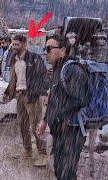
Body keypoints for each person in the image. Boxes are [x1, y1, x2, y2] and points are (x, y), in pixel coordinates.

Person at [37, 35, 88, 179]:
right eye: (44, 49)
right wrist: (46, 120)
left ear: (63, 50)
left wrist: (59, 116)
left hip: (72, 131)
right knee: (59, 170)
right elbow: (54, 99)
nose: (46, 53)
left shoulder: (73, 70)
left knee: (67, 173)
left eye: (49, 49)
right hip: (60, 130)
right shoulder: (57, 70)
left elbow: (79, 100)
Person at [2, 34, 48, 167]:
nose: (14, 47)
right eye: (13, 44)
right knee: (22, 125)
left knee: (35, 126)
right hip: (19, 96)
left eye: (17, 44)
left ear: (24, 44)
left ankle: (42, 154)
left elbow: (44, 76)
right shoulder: (14, 60)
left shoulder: (34, 58)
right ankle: (28, 151)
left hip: (32, 96)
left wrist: (43, 92)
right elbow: (13, 79)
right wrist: (7, 93)